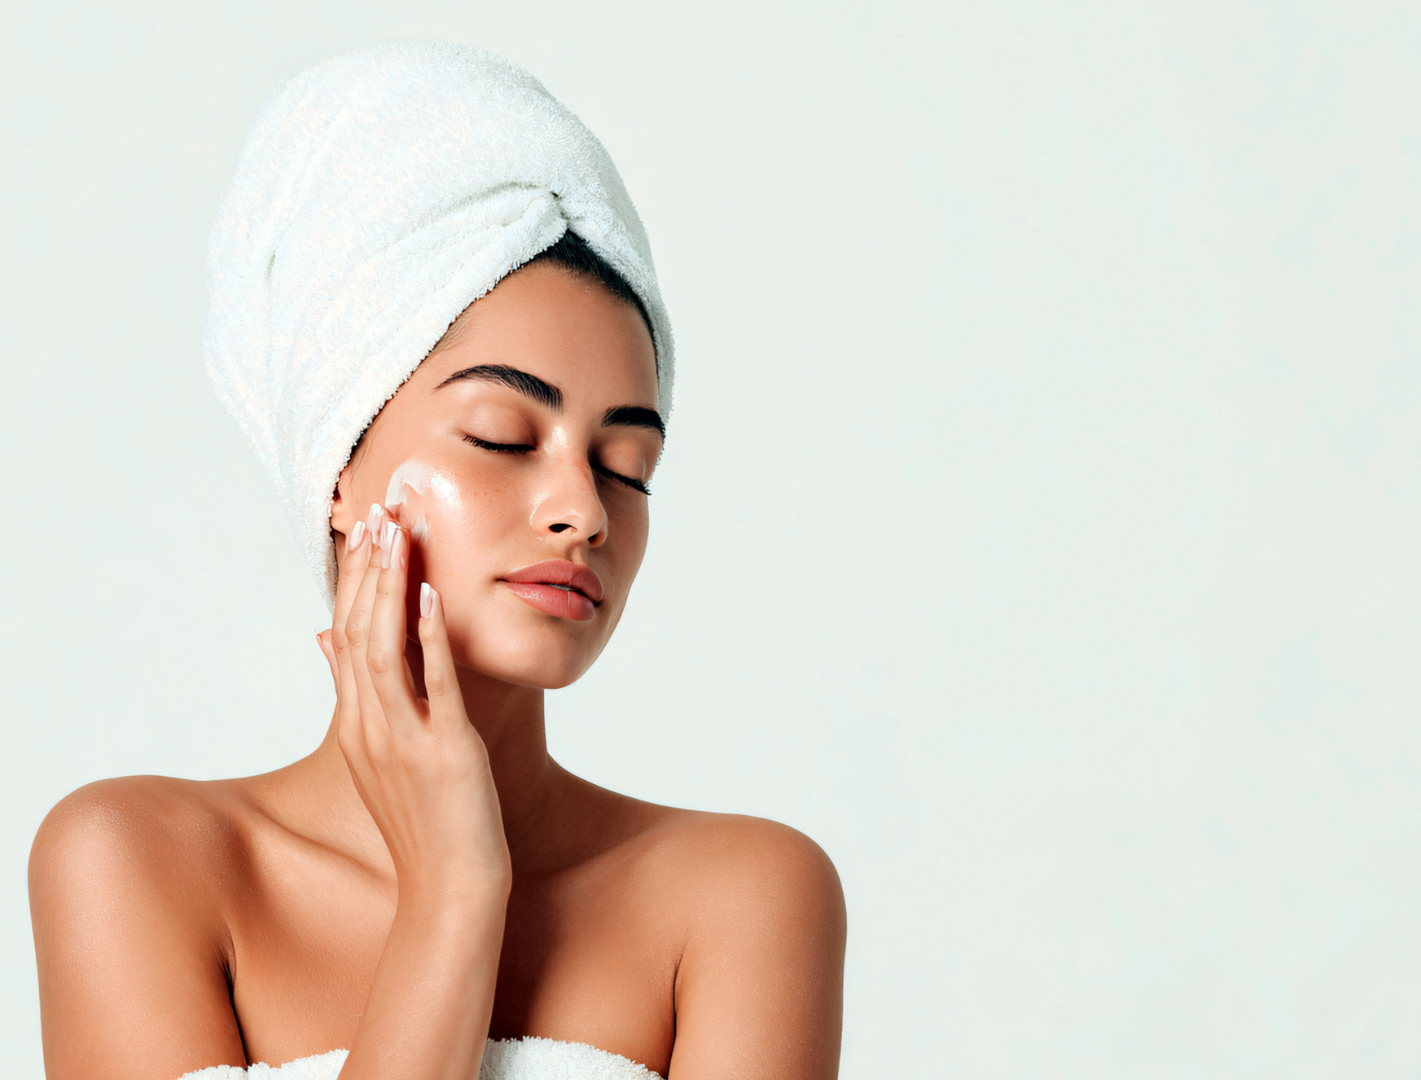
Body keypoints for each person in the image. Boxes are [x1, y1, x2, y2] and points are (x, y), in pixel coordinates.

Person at [27, 43, 845, 1080]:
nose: (584, 511)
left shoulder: (747, 896)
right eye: (503, 435)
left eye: (628, 465)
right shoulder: (136, 862)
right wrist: (453, 895)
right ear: (336, 469)